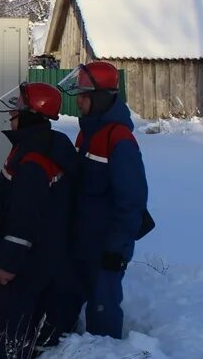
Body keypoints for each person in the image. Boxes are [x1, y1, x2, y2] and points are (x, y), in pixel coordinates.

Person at [0, 82, 80, 359]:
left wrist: (8, 265)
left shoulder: (34, 159)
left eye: (16, 110)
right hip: (43, 258)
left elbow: (23, 218)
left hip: (26, 266)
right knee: (25, 324)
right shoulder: (46, 145)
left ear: (30, 115)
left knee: (11, 329)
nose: (11, 115)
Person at [58, 61, 149, 339]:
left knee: (102, 308)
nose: (79, 102)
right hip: (83, 239)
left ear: (98, 98)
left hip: (106, 244)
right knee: (69, 296)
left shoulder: (119, 139)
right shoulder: (87, 133)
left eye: (83, 96)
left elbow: (132, 199)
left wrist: (117, 250)